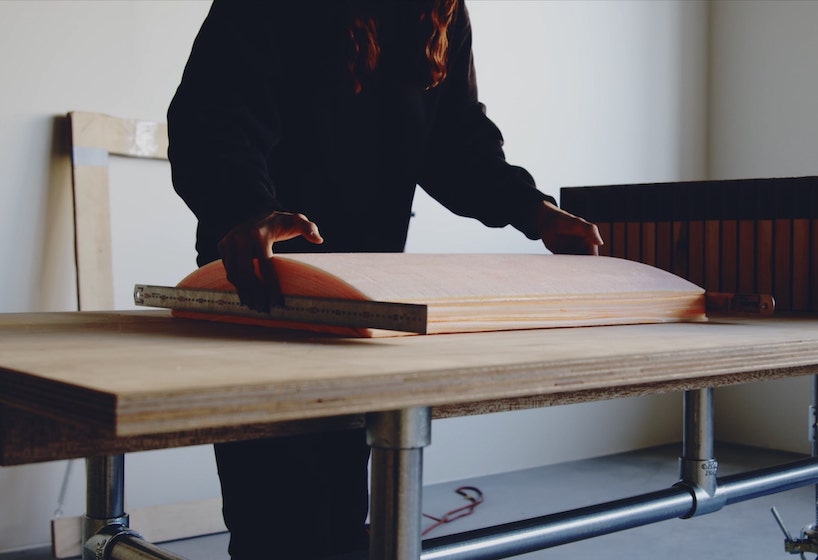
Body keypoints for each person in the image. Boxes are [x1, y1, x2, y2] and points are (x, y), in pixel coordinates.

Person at [167, 1, 603, 558]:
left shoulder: (440, 9)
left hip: (359, 294)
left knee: (344, 508)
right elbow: (213, 116)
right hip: (261, 276)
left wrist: (533, 210)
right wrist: (243, 208)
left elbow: (456, 140)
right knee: (273, 518)